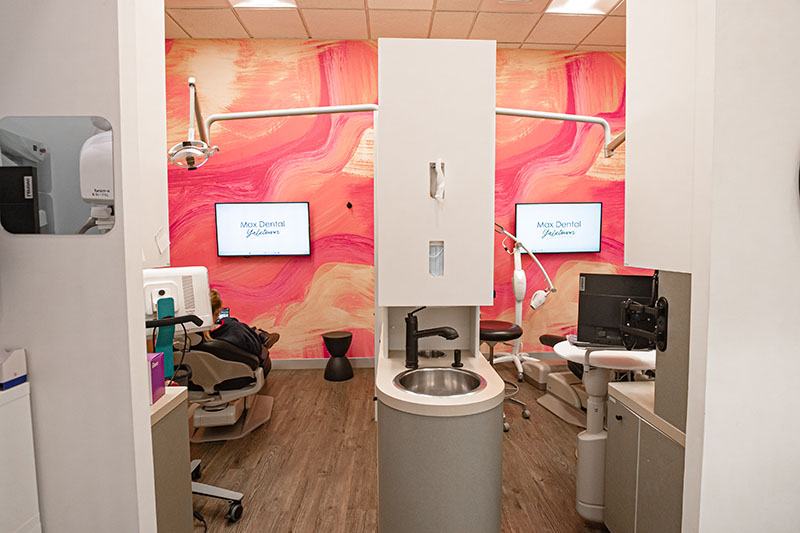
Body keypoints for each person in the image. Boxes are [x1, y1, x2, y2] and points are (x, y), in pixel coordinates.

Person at [203, 289, 279, 359]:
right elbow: (256, 350)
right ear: (218, 311)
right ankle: (260, 336)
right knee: (234, 324)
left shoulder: (194, 337)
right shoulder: (232, 328)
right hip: (247, 359)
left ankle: (258, 333)